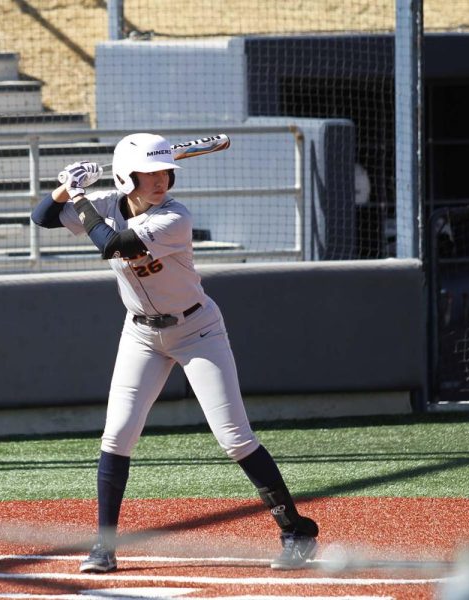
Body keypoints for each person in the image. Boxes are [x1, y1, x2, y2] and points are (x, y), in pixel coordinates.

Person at [31, 133, 319, 572]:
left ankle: (296, 531)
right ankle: (104, 547)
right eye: (150, 173)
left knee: (235, 439)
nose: (162, 179)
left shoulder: (174, 218)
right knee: (116, 437)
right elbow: (42, 218)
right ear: (129, 178)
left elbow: (113, 244)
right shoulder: (109, 202)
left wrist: (79, 194)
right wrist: (63, 188)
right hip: (141, 334)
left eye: (165, 171)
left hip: (197, 329)